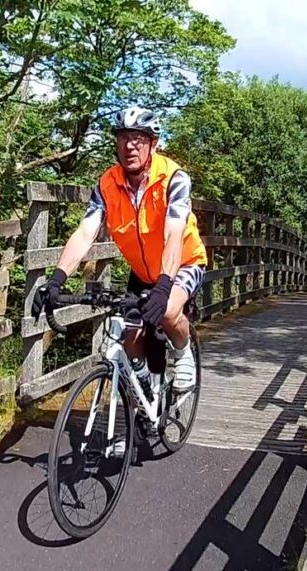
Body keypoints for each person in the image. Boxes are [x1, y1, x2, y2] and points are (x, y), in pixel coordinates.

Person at [31, 106, 207, 391]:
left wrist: (163, 288)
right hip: (142, 270)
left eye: (139, 138)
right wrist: (56, 279)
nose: (130, 145)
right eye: (123, 137)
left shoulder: (174, 179)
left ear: (153, 144)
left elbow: (174, 233)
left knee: (168, 310)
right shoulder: (107, 184)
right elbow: (86, 232)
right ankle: (146, 387)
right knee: (130, 335)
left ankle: (183, 350)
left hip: (184, 262)